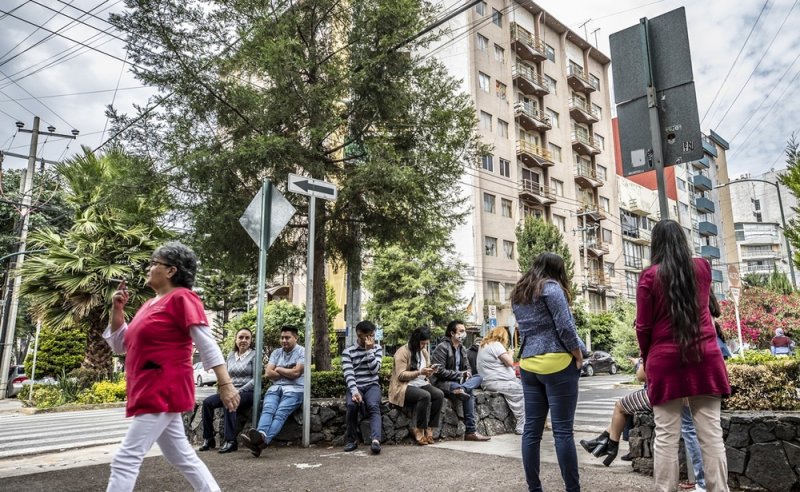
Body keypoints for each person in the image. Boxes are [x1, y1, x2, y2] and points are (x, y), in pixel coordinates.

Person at [104, 242, 239, 492]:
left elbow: (206, 342)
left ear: (171, 271)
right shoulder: (150, 304)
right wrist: (117, 310)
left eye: (155, 263)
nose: (149, 267)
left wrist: (225, 383)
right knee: (182, 456)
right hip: (147, 387)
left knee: (125, 459)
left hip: (162, 388)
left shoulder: (182, 298)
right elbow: (120, 345)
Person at [636, 219, 730, 492]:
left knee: (666, 435)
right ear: (682, 240)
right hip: (705, 357)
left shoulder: (649, 276)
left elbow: (643, 326)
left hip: (664, 361)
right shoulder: (702, 268)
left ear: (655, 244)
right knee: (711, 434)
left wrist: (647, 357)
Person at [511, 252, 584, 492]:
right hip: (557, 363)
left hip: (529, 363)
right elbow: (565, 326)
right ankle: (573, 489)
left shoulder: (519, 293)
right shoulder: (551, 288)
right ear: (558, 269)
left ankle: (535, 489)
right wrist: (578, 354)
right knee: (563, 432)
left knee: (532, 431)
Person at [240, 325, 305, 458]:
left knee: (280, 413)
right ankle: (262, 436)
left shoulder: (302, 352)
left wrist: (279, 369)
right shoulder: (276, 353)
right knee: (268, 409)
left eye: (287, 337)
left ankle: (259, 443)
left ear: (296, 337)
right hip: (275, 388)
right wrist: (288, 370)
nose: (284, 340)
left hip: (295, 389)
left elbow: (297, 372)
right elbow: (268, 373)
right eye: (282, 338)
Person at [199, 328, 256, 454]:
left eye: (247, 338)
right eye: (241, 337)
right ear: (236, 340)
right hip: (231, 390)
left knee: (230, 401)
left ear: (251, 341)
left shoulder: (255, 355)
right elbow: (224, 375)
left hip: (248, 392)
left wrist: (238, 391)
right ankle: (208, 439)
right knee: (207, 403)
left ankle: (231, 441)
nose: (244, 340)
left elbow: (255, 380)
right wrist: (225, 389)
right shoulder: (230, 356)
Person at [431, 320, 491, 442]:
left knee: (478, 377)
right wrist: (459, 374)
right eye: (461, 331)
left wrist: (467, 373)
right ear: (452, 333)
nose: (464, 334)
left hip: (460, 382)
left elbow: (467, 366)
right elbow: (439, 371)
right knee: (469, 393)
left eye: (464, 331)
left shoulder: (462, 348)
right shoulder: (442, 347)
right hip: (443, 382)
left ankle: (462, 389)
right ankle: (471, 432)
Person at [388, 327, 444, 445]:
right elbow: (401, 375)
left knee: (439, 394)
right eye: (422, 343)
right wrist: (420, 372)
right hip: (403, 385)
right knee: (424, 396)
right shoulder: (402, 352)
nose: (424, 346)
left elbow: (425, 370)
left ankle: (430, 428)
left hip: (420, 382)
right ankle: (418, 429)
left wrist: (431, 370)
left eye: (426, 343)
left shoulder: (423, 352)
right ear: (415, 340)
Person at [341, 320, 383, 454]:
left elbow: (375, 370)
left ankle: (376, 440)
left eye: (370, 336)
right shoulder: (348, 352)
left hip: (372, 385)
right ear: (358, 335)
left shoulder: (377, 349)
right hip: (356, 385)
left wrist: (369, 351)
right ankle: (351, 440)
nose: (366, 339)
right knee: (352, 405)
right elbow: (349, 374)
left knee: (373, 405)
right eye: (363, 336)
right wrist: (354, 391)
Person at [477, 326, 525, 435]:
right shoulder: (496, 345)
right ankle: (522, 425)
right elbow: (509, 362)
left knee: (523, 386)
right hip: (497, 382)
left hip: (490, 381)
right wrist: (510, 354)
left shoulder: (484, 345)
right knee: (523, 391)